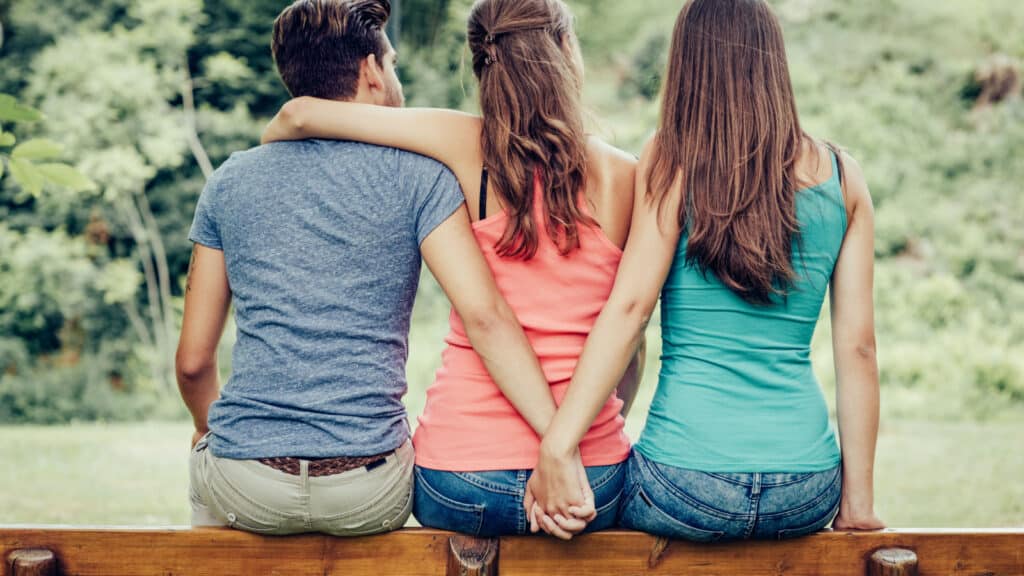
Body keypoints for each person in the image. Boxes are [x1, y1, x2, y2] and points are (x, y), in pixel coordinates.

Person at [262, 0, 641, 538]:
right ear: (565, 53)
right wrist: (572, 442)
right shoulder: (623, 173)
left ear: (483, 63)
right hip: (590, 476)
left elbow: (298, 113)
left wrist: (261, 157)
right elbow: (627, 337)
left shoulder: (461, 142)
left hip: (460, 478)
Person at [177, 0, 555, 537]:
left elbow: (193, 362)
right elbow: (484, 314)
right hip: (368, 487)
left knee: (205, 470)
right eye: (394, 64)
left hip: (246, 481)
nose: (395, 76)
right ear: (372, 71)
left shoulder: (229, 181)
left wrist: (205, 430)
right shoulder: (421, 176)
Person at [526, 0, 885, 541]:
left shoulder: (670, 159)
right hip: (805, 487)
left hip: (684, 483)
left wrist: (558, 443)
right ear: (773, 63)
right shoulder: (842, 176)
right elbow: (858, 348)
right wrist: (857, 502)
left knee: (594, 506)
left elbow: (630, 310)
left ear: (687, 67)